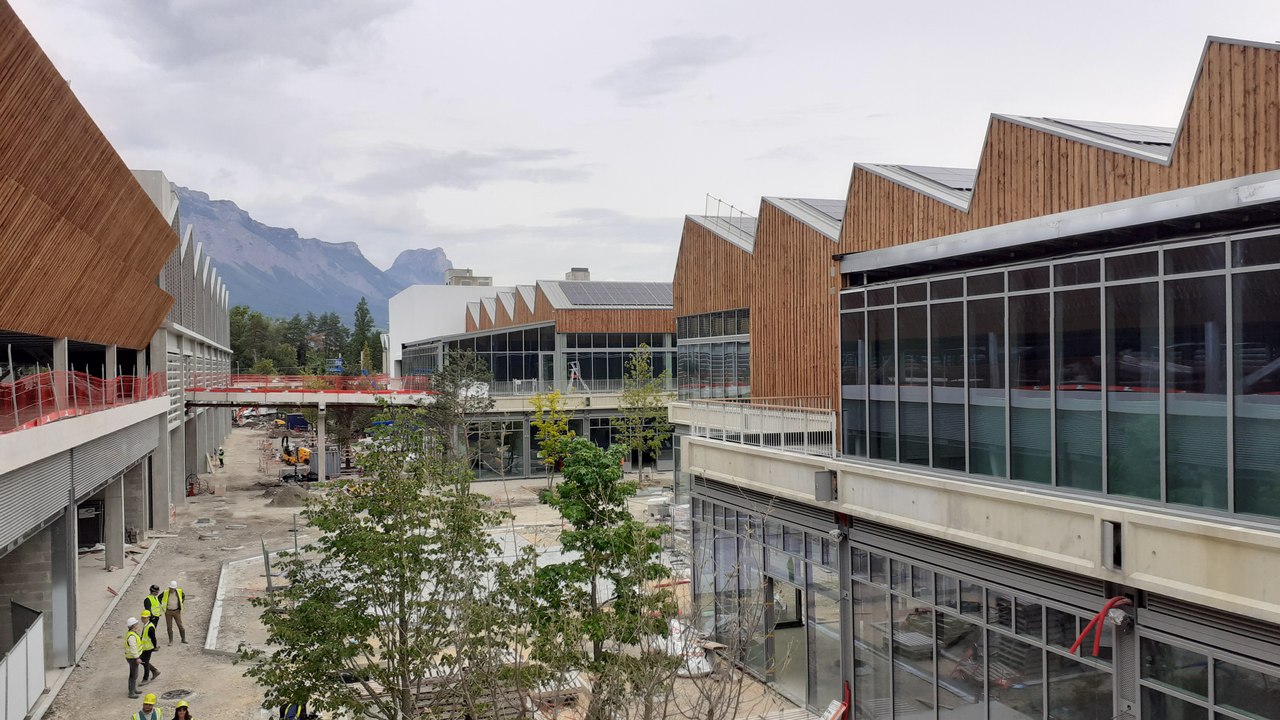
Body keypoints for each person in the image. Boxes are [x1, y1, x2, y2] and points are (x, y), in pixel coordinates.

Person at [161, 580, 188, 644]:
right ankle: (171, 641)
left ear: (175, 588)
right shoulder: (165, 593)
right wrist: (163, 605)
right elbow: (159, 598)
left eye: (173, 588)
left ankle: (183, 639)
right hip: (168, 612)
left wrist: (181, 604)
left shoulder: (179, 591)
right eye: (171, 588)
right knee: (169, 627)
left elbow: (183, 596)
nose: (171, 590)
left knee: (180, 625)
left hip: (176, 611)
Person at [139, 609, 161, 686]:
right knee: (143, 661)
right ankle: (155, 671)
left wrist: (154, 647)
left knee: (145, 662)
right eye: (142, 618)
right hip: (144, 647)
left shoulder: (150, 627)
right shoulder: (146, 625)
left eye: (145, 618)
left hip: (148, 648)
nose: (143, 619)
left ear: (148, 618)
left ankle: (145, 678)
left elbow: (153, 638)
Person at [125, 617, 143, 699]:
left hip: (132, 657)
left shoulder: (132, 634)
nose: (137, 625)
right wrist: (137, 658)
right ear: (133, 626)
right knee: (133, 675)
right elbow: (133, 648)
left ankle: (133, 689)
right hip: (132, 658)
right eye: (136, 624)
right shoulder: (132, 636)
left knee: (134, 674)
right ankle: (131, 692)